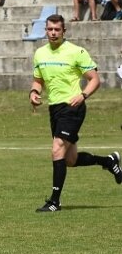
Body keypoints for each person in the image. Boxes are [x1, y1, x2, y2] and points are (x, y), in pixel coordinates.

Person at [29, 14, 121, 213]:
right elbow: (38, 80)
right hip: (55, 109)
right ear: (45, 30)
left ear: (64, 31)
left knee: (57, 149)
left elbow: (95, 79)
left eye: (57, 30)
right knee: (69, 160)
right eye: (50, 29)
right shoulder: (40, 54)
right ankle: (108, 161)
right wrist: (34, 92)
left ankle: (54, 201)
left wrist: (83, 95)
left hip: (73, 106)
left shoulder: (76, 52)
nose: (53, 33)